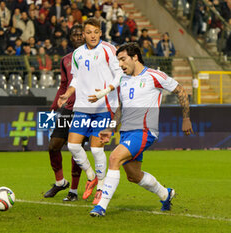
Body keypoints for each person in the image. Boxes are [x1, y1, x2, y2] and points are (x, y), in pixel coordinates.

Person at [89, 42, 193, 217]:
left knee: (114, 157)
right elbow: (121, 109)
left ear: (135, 57)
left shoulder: (154, 76)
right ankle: (166, 194)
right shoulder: (123, 79)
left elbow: (181, 91)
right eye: (118, 61)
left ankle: (101, 207)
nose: (120, 65)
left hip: (144, 131)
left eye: (123, 59)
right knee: (133, 176)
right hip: (127, 133)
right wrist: (110, 128)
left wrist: (186, 117)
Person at [58, 18, 123, 205]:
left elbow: (119, 74)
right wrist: (67, 94)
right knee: (72, 146)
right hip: (83, 107)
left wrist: (105, 91)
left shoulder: (109, 50)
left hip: (104, 107)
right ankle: (91, 175)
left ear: (100, 33)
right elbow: (76, 79)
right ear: (83, 35)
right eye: (89, 32)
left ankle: (101, 188)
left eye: (96, 32)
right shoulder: (77, 54)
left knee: (96, 149)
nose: (92, 35)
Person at [43, 24, 84, 201]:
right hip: (68, 108)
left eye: (80, 34)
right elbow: (63, 85)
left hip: (85, 109)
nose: (77, 37)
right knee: (53, 146)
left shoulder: (95, 57)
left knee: (76, 150)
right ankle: (60, 182)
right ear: (70, 38)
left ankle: (74, 191)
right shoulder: (66, 59)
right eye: (74, 34)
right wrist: (54, 106)